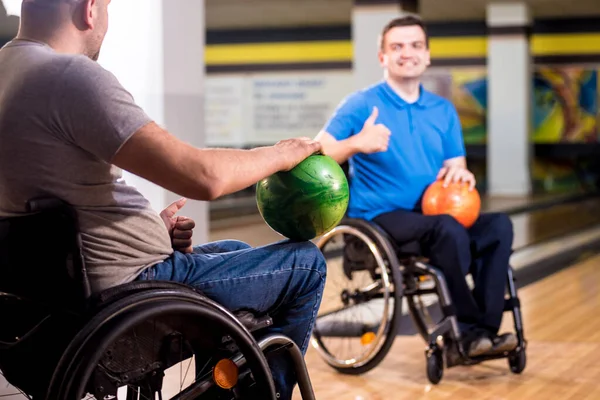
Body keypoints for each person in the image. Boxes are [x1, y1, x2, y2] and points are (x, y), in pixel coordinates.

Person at [0, 1, 325, 399]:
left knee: (236, 249)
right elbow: (204, 177)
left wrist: (152, 229)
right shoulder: (67, 76)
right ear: (89, 10)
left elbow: (52, 205)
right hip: (121, 300)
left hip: (45, 311)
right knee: (306, 264)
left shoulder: (7, 70)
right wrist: (281, 153)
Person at [315, 15, 517, 358]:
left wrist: (463, 178)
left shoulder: (443, 110)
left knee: (498, 226)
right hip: (380, 218)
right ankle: (467, 333)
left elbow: (456, 169)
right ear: (382, 57)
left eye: (415, 46)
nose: (407, 53)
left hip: (434, 215)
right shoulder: (362, 103)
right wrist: (357, 143)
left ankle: (483, 331)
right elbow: (317, 152)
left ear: (427, 55)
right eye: (397, 47)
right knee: (448, 230)